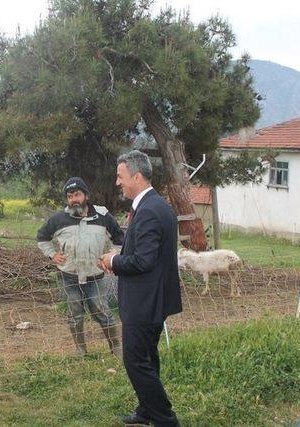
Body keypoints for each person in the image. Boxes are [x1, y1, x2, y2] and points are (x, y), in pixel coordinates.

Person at [99, 150, 182, 426]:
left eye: (120, 176)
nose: (117, 182)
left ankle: (165, 419)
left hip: (144, 303)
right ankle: (147, 411)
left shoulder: (148, 211)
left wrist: (114, 260)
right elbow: (151, 256)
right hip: (154, 299)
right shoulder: (157, 205)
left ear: (136, 176)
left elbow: (143, 261)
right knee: (148, 357)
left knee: (135, 362)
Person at [37, 177, 124, 357]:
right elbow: (42, 237)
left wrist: (112, 255)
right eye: (69, 196)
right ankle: (81, 349)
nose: (74, 199)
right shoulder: (59, 219)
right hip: (69, 276)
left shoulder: (102, 216)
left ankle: (116, 347)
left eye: (77, 194)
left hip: (95, 276)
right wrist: (52, 254)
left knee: (102, 311)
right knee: (74, 314)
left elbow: (120, 239)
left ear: (86, 195)